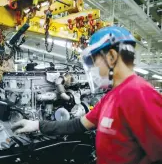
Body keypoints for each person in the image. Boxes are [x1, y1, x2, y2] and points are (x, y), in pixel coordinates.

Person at [11, 26, 162, 164]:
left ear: (111, 57)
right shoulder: (110, 98)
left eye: (94, 61)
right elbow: (76, 125)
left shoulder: (140, 94)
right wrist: (37, 124)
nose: (93, 68)